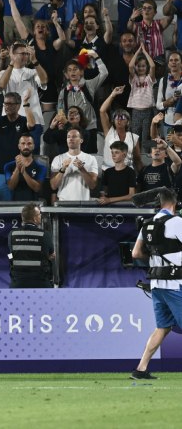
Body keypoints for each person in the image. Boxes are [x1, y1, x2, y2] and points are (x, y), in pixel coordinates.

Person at [131, 187, 182, 380]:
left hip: (156, 285)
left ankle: (141, 368)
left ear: (160, 203)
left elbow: (136, 254)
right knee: (163, 327)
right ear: (174, 203)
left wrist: (155, 258)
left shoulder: (147, 224)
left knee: (163, 327)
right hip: (174, 283)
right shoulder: (177, 222)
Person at [8, 203, 54, 289]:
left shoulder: (12, 234)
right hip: (41, 283)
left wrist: (11, 257)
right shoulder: (45, 235)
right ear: (35, 218)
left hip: (17, 283)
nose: (41, 216)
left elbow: (10, 254)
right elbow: (51, 254)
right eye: (39, 214)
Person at [49, 128, 98, 201]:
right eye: (68, 137)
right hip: (63, 202)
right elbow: (53, 186)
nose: (71, 139)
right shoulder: (58, 159)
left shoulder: (91, 158)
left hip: (83, 202)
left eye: (74, 136)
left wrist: (82, 169)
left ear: (81, 140)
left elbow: (92, 185)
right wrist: (62, 169)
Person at [4, 134, 47, 202]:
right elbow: (11, 187)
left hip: (33, 206)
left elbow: (37, 188)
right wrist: (17, 169)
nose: (26, 146)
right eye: (23, 143)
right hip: (14, 205)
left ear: (33, 146)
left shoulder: (41, 168)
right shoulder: (9, 166)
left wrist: (24, 173)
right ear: (19, 146)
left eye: (29, 143)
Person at [99, 141, 136, 205]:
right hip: (109, 207)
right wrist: (103, 198)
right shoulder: (107, 172)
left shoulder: (130, 172)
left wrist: (110, 200)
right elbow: (103, 192)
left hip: (125, 206)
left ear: (124, 154)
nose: (113, 155)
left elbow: (131, 195)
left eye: (116, 152)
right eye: (112, 152)